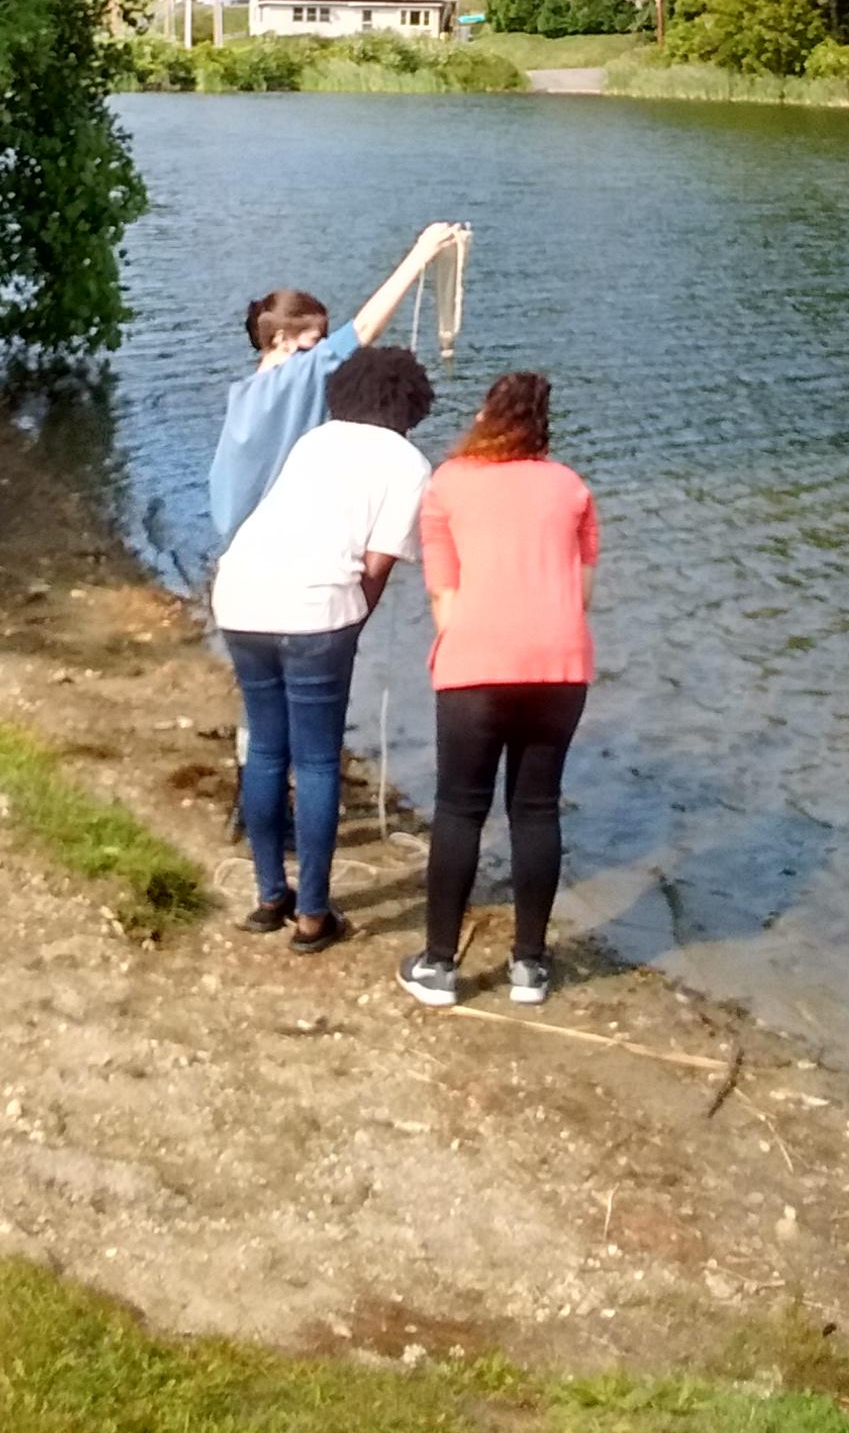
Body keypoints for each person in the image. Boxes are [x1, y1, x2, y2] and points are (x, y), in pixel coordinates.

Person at [214, 344, 436, 954]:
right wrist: (352, 621)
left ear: (343, 393)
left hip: (238, 594)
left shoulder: (315, 440)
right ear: (412, 406)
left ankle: (267, 897)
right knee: (315, 762)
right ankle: (312, 914)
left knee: (265, 748)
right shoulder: (409, 462)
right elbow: (376, 563)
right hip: (316, 610)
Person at [400, 371, 597, 1011]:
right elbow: (582, 594)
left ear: (486, 415)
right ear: (544, 427)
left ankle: (437, 967)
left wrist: (473, 646)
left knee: (460, 809)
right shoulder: (572, 488)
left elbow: (443, 595)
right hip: (560, 666)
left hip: (476, 665)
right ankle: (530, 968)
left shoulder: (448, 484)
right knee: (536, 809)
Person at [209, 222, 462, 542]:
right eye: (315, 342)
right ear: (281, 339)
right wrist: (420, 254)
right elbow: (366, 327)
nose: (324, 353)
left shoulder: (241, 395)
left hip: (236, 545)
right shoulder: (297, 378)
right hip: (277, 544)